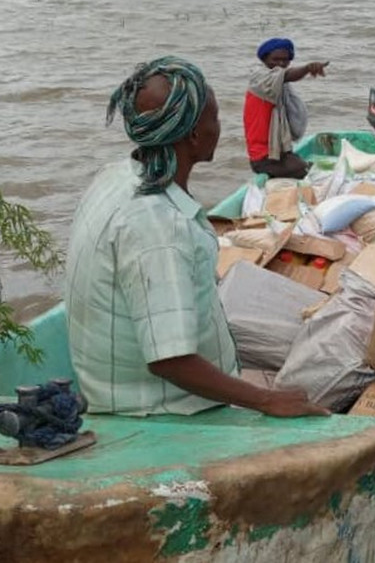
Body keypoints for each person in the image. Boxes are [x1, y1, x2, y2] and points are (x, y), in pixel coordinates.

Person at [64, 56, 328, 418]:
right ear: (192, 135)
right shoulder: (157, 226)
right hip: (160, 411)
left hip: (120, 389)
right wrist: (268, 400)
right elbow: (170, 360)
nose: (221, 126)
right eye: (215, 117)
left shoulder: (115, 176)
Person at [242, 37, 329, 179]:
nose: (280, 64)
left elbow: (286, 75)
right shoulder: (260, 80)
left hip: (280, 153)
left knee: (312, 169)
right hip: (263, 157)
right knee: (311, 175)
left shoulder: (280, 84)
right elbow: (288, 74)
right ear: (264, 60)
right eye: (275, 60)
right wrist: (307, 68)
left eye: (285, 60)